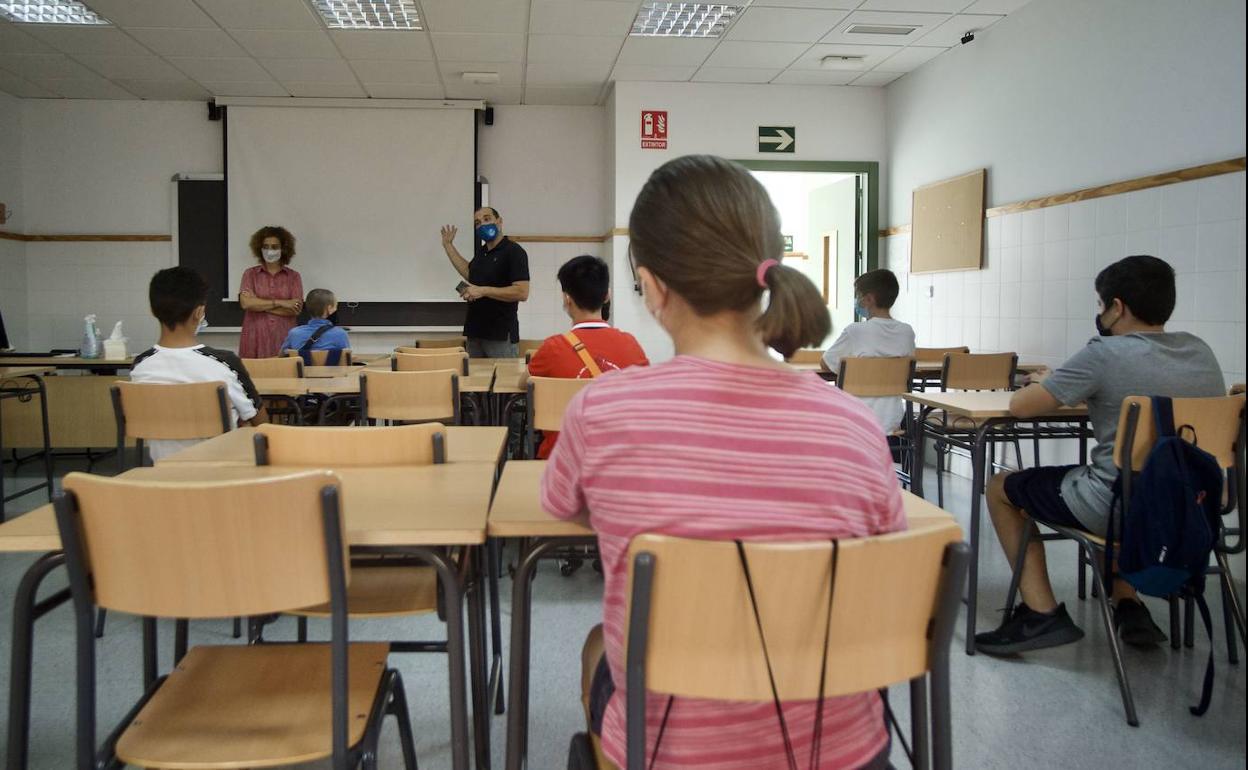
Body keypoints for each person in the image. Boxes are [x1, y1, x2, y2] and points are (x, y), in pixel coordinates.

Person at [541, 155, 904, 769]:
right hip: (846, 751)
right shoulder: (855, 424)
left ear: (651, 287)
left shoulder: (601, 412)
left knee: (599, 644)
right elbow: (885, 562)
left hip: (675, 750)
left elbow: (567, 511)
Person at [974, 255, 1225, 656]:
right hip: (1190, 505)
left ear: (1117, 307)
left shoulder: (1104, 354)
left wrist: (1049, 383)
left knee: (1001, 487)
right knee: (1124, 474)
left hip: (1118, 507)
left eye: (1101, 304)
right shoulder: (1201, 351)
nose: (1101, 313)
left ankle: (1041, 613)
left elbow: (1021, 406)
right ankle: (1126, 601)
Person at [130, 266, 264, 462]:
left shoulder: (140, 366)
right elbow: (261, 425)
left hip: (165, 480)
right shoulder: (225, 363)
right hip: (224, 480)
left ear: (152, 310)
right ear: (199, 312)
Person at [526, 255, 649, 459]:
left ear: (567, 299)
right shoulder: (632, 346)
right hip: (620, 458)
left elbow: (527, 383)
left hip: (561, 460)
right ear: (607, 295)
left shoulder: (552, 348)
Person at [821, 268, 916, 432]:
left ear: (869, 299)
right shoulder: (907, 332)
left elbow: (826, 364)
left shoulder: (855, 331)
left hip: (854, 421)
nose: (856, 300)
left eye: (858, 295)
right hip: (892, 422)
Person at [439, 207, 530, 358]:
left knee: (502, 381)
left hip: (500, 336)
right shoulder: (482, 253)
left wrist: (482, 291)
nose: (482, 225)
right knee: (473, 381)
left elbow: (522, 292)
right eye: (478, 223)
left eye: (487, 219)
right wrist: (448, 246)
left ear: (499, 222)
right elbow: (471, 274)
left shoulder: (514, 251)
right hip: (475, 333)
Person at [238, 225, 304, 358]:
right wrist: (281, 302)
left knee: (286, 374)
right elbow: (246, 304)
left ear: (283, 249)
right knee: (253, 375)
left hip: (284, 336)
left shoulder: (294, 276)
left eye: (274, 247)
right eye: (266, 247)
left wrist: (258, 304)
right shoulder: (250, 274)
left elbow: (295, 309)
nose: (269, 251)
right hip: (255, 335)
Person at [279, 288, 351, 363]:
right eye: (335, 306)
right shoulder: (340, 334)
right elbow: (346, 359)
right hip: (332, 374)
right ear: (329, 309)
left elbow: (281, 356)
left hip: (302, 374)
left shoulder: (294, 333)